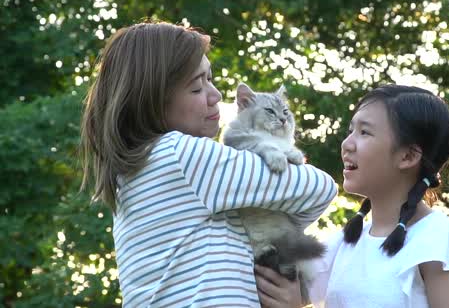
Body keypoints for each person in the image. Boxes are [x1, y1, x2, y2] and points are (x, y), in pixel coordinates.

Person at [80, 21, 337, 307]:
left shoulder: (136, 170)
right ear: (152, 99)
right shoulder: (182, 156)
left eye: (211, 79)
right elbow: (319, 188)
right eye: (196, 88)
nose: (216, 96)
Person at [255, 85, 449, 308]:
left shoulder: (444, 244)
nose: (347, 144)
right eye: (350, 130)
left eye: (365, 132)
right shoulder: (342, 245)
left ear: (408, 156)